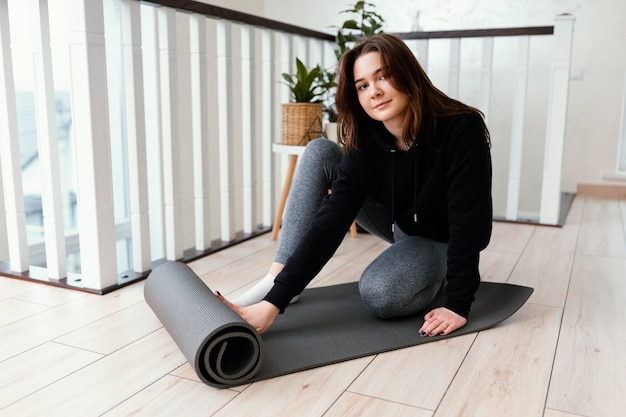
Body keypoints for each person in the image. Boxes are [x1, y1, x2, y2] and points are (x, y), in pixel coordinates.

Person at [218, 33, 492, 338]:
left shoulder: (461, 128)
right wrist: (274, 301)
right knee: (320, 151)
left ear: (408, 73)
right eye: (363, 85)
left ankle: (433, 272)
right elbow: (330, 221)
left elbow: (470, 222)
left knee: (381, 294)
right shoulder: (368, 138)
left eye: (383, 76)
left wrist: (458, 303)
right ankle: (276, 279)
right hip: (395, 221)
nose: (374, 92)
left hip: (439, 238)